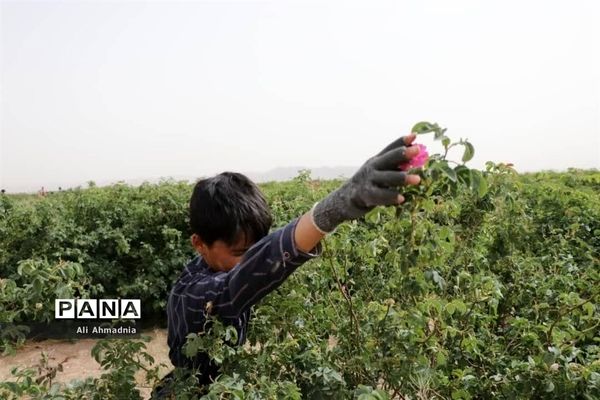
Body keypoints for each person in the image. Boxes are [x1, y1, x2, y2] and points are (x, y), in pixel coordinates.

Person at [151, 133, 422, 398]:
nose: (248, 260)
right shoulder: (192, 294)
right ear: (199, 244)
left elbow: (264, 255)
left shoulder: (216, 264)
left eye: (254, 250)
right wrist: (334, 208)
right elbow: (242, 280)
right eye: (240, 252)